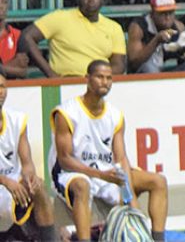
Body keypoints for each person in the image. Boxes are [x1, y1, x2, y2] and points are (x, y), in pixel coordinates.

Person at [49, 60, 168, 242]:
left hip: (105, 173)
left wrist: (130, 197)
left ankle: (155, 239)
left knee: (158, 181)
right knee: (83, 186)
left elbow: (121, 159)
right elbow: (64, 159)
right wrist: (100, 175)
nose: (105, 82)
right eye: (99, 77)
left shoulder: (115, 115)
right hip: (70, 174)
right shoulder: (66, 112)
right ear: (87, 79)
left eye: (109, 78)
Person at [21, 0, 126, 77]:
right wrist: (50, 74)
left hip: (99, 85)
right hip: (66, 83)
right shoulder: (59, 18)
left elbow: (119, 65)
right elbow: (27, 37)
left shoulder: (114, 27)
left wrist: (98, 77)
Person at [0, 74, 57, 241]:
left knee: (38, 187)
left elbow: (27, 162)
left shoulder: (17, 119)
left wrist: (29, 176)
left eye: (3, 87)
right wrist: (5, 181)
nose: (0, 92)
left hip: (13, 183)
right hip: (5, 182)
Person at [127, 0, 185, 74]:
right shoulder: (139, 27)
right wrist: (156, 41)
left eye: (170, 13)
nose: (167, 17)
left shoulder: (178, 27)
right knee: (149, 67)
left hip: (164, 69)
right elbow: (134, 62)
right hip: (141, 73)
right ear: (152, 13)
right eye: (162, 14)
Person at [0, 0, 29, 79]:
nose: (1, 6)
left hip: (12, 89)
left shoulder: (17, 35)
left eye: (3, 2)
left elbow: (23, 72)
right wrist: (11, 66)